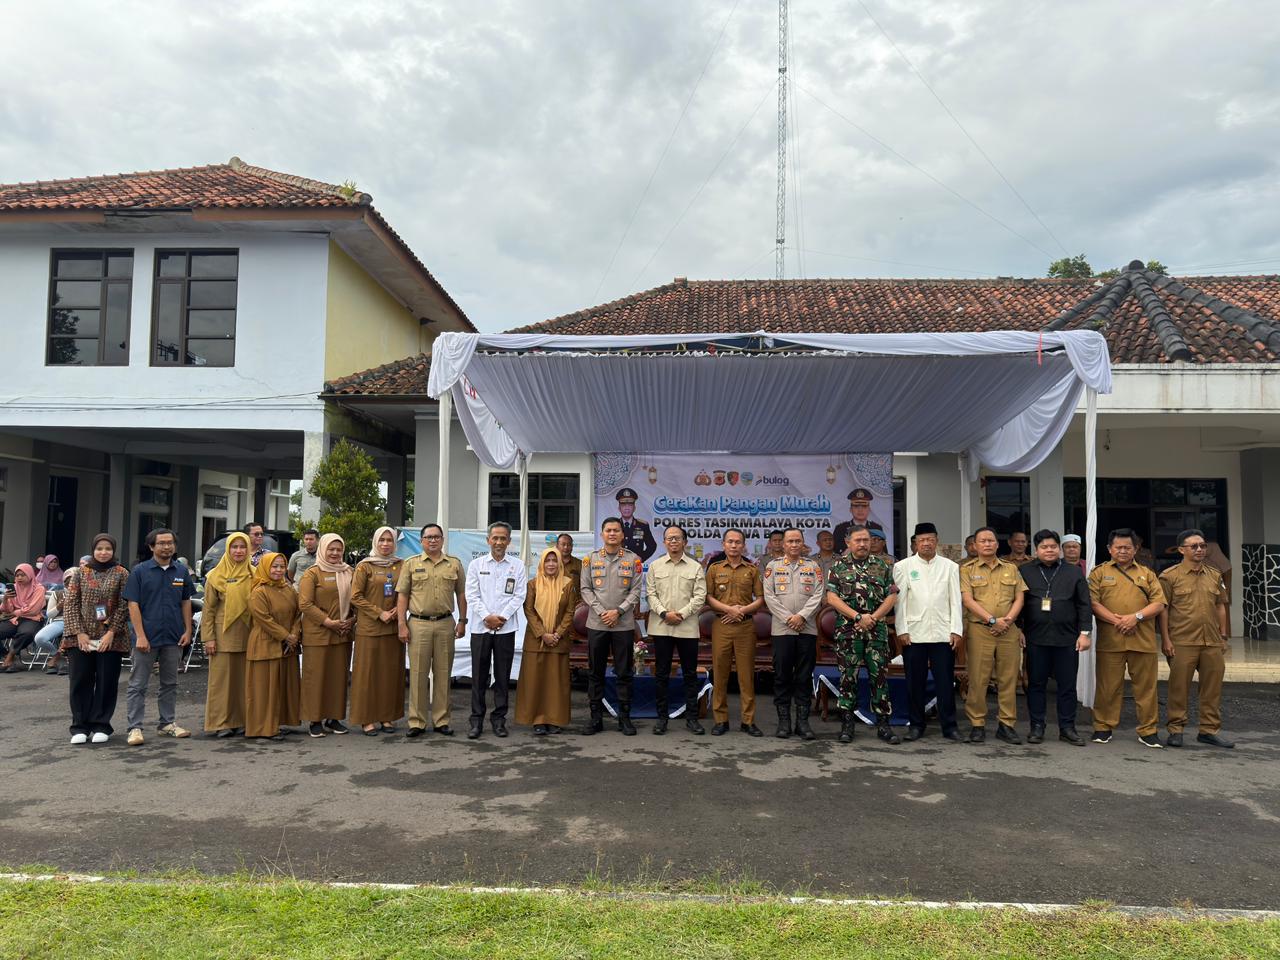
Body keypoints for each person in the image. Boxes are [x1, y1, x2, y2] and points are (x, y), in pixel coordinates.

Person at [1088, 528, 1167, 747]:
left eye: (1127, 547)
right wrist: (1120, 622)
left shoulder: (1147, 574)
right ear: (1109, 549)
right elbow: (1093, 603)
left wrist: (1136, 617)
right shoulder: (1098, 573)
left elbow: (1159, 603)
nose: (1123, 551)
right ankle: (1103, 727)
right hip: (1110, 641)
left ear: (1136, 549)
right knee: (1108, 687)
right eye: (1118, 547)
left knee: (1146, 689)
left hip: (1142, 641)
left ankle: (1148, 730)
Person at [825, 525, 900, 745]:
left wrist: (873, 618)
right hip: (849, 631)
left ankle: (883, 725)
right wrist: (858, 617)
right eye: (858, 540)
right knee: (848, 678)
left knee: (879, 678)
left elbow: (892, 596)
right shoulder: (838, 566)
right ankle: (847, 724)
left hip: (876, 630)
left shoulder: (882, 565)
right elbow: (832, 598)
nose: (862, 544)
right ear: (848, 542)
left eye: (866, 540)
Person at [1160, 529, 1233, 749]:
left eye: (1202, 546)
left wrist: (1223, 636)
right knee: (1178, 688)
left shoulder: (1214, 575)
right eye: (1194, 546)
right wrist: (1165, 640)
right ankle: (1176, 729)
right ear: (1181, 550)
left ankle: (1209, 730)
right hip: (1182, 641)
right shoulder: (1169, 576)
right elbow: (1163, 609)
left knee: (1212, 688)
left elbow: (1221, 605)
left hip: (1211, 641)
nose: (1200, 549)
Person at [123, 528, 195, 745]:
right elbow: (133, 604)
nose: (167, 547)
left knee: (170, 683)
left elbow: (186, 602)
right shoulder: (140, 571)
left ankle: (167, 724)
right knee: (138, 684)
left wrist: (188, 630)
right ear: (152, 546)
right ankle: (135, 728)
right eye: (162, 543)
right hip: (146, 636)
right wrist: (140, 635)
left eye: (170, 543)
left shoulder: (181, 571)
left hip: (174, 636)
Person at [1019, 529, 1091, 745]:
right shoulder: (1024, 571)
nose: (1049, 550)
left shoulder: (1073, 572)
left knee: (1067, 685)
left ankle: (1067, 728)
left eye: (1052, 546)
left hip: (1067, 638)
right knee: (1036, 684)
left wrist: (1085, 633)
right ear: (1036, 550)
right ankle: (1037, 726)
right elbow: (1018, 602)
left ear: (1059, 549)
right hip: (1035, 637)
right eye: (1044, 547)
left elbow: (1084, 604)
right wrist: (1018, 629)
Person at [893, 522, 962, 742]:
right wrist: (902, 629)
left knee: (945, 682)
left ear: (937, 541)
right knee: (915, 682)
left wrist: (956, 630)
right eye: (922, 540)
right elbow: (900, 602)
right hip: (914, 634)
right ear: (915, 543)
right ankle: (916, 725)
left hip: (943, 633)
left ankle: (949, 726)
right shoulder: (903, 566)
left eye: (930, 539)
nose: (926, 543)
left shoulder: (950, 566)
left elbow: (956, 601)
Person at [396, 523, 467, 738]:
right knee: (418, 674)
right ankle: (417, 722)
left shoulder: (454, 564)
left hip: (445, 624)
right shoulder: (411, 564)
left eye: (437, 537)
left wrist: (463, 621)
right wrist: (401, 624)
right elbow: (402, 596)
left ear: (442, 540)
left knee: (443, 674)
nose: (433, 540)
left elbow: (461, 595)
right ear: (421, 541)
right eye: (429, 537)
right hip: (418, 624)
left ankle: (441, 720)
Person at [960, 527, 1027, 744]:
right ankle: (977, 724)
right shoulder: (967, 570)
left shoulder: (1011, 568)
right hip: (980, 630)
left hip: (1008, 630)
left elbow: (1019, 598)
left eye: (991, 540)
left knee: (1009, 678)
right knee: (978, 678)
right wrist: (992, 620)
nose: (987, 544)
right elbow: (967, 600)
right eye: (983, 541)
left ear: (998, 545)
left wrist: (1007, 621)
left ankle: (1006, 724)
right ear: (975, 546)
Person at [62, 534, 130, 744]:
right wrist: (79, 632)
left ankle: (101, 724)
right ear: (93, 550)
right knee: (80, 680)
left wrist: (111, 632)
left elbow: (124, 604)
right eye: (99, 548)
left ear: (114, 550)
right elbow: (71, 604)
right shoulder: (80, 573)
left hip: (111, 638)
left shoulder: (121, 573)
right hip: (81, 637)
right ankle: (79, 727)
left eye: (108, 548)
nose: (103, 552)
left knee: (106, 681)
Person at [579, 516, 643, 735]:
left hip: (623, 625)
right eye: (608, 530)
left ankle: (624, 718)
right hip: (597, 623)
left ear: (623, 534)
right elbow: (586, 589)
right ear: (602, 534)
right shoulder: (590, 559)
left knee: (624, 672)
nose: (612, 534)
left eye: (616, 530)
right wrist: (602, 612)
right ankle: (595, 718)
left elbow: (636, 591)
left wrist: (618, 611)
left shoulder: (633, 560)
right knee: (595, 672)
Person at [463, 521, 527, 739]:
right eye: (495, 538)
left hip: (506, 629)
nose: (499, 542)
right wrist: (487, 617)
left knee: (502, 677)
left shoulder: (517, 566)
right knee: (478, 677)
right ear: (488, 540)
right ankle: (476, 721)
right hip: (480, 629)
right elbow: (472, 595)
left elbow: (519, 595)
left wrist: (502, 618)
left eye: (503, 538)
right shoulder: (476, 565)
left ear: (509, 541)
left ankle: (499, 720)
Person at [761, 529, 825, 740]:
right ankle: (784, 722)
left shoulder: (813, 566)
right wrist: (789, 618)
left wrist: (802, 617)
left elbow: (818, 595)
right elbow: (769, 596)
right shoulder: (772, 567)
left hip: (807, 628)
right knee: (782, 676)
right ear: (783, 544)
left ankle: (802, 723)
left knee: (804, 676)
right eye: (790, 541)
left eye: (798, 541)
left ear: (803, 543)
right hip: (782, 629)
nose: (794, 544)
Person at [646, 525, 709, 736]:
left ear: (685, 542)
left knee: (690, 674)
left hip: (687, 627)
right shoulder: (655, 566)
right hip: (661, 626)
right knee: (662, 673)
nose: (673, 541)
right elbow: (650, 595)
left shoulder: (695, 567)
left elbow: (700, 597)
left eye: (677, 538)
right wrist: (665, 613)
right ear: (664, 542)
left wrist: (680, 614)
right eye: (669, 538)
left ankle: (692, 718)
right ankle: (661, 718)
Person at [705, 529, 764, 737]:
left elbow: (760, 598)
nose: (734, 545)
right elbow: (708, 597)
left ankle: (748, 721)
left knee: (746, 675)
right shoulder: (714, 568)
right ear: (723, 544)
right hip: (721, 624)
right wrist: (728, 610)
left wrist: (742, 611)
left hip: (745, 626)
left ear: (743, 546)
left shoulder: (752, 569)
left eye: (738, 542)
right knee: (720, 674)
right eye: (730, 541)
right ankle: (721, 720)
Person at [298, 533, 355, 738]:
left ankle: (334, 718)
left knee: (338, 678)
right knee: (316, 677)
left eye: (339, 549)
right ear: (322, 549)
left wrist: (352, 620)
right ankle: (315, 720)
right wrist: (328, 621)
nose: (335, 553)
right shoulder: (312, 574)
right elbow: (305, 604)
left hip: (342, 633)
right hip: (318, 633)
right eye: (331, 549)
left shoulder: (348, 571)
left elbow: (356, 599)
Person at [350, 526, 406, 736]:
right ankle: (366, 719)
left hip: (393, 628)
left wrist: (398, 610)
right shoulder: (365, 566)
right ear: (375, 542)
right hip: (370, 628)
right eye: (381, 540)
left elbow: (408, 592)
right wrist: (379, 613)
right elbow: (355, 596)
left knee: (389, 675)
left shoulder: (401, 565)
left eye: (389, 540)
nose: (385, 544)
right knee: (367, 675)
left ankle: (386, 717)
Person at [516, 547, 578, 734]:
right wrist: (543, 634)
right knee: (535, 682)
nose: (551, 564)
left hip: (559, 641)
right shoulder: (533, 584)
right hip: (536, 641)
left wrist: (557, 634)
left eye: (554, 560)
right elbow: (529, 611)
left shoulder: (568, 584)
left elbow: (570, 612)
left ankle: (555, 720)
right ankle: (537, 721)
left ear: (560, 563)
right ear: (542, 563)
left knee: (556, 684)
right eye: (547, 561)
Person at [245, 552, 302, 741]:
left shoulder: (288, 589)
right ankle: (263, 728)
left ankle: (276, 723)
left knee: (281, 687)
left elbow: (298, 613)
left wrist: (294, 633)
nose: (278, 570)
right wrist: (286, 636)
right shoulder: (259, 591)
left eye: (282, 566)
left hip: (287, 645)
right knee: (265, 689)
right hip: (265, 645)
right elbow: (264, 619)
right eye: (274, 566)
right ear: (265, 568)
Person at [202, 531, 253, 739]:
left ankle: (242, 721)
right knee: (221, 681)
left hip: (249, 633)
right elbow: (208, 610)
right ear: (228, 549)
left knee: (244, 681)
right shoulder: (215, 576)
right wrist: (209, 638)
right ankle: (221, 723)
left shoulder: (255, 574)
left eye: (242, 547)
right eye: (234, 547)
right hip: (222, 634)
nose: (239, 551)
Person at [0, 564, 47, 671]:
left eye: (23, 575)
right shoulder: (14, 588)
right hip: (15, 619)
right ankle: (6, 655)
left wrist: (16, 612)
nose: (19, 578)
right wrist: (6, 599)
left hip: (32, 619)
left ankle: (11, 655)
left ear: (30, 574)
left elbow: (33, 610)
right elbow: (6, 610)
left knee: (27, 633)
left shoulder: (39, 588)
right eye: (17, 575)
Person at [34, 568, 76, 674]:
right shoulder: (57, 594)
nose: (71, 585)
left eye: (74, 581)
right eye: (68, 582)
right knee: (40, 638)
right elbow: (50, 615)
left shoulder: (84, 594)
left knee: (68, 636)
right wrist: (60, 605)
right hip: (60, 621)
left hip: (77, 623)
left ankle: (64, 662)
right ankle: (57, 654)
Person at [615, 488, 657, 562]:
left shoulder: (642, 525)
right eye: (623, 505)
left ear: (634, 508)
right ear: (619, 508)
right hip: (617, 564)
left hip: (635, 565)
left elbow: (652, 546)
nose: (627, 508)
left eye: (630, 505)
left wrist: (641, 558)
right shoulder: (614, 525)